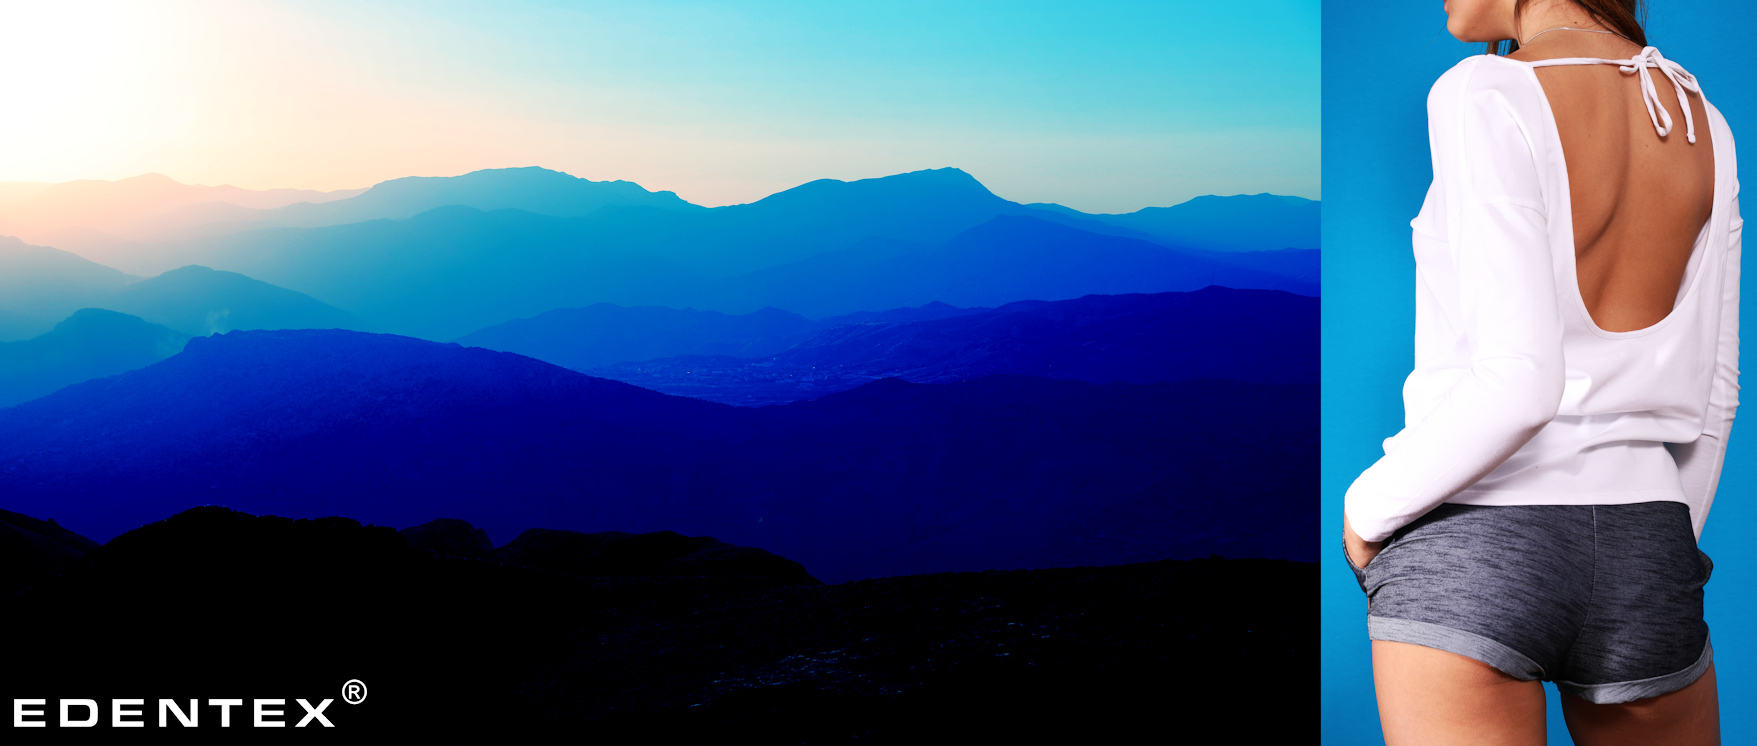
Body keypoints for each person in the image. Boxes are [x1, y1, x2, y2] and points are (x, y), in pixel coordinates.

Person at [1342, 0, 1741, 743]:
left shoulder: (1482, 91)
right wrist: (1658, 547)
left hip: (1476, 535)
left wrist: (1364, 512)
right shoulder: (1701, 119)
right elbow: (1716, 393)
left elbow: (1521, 382)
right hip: (1647, 538)